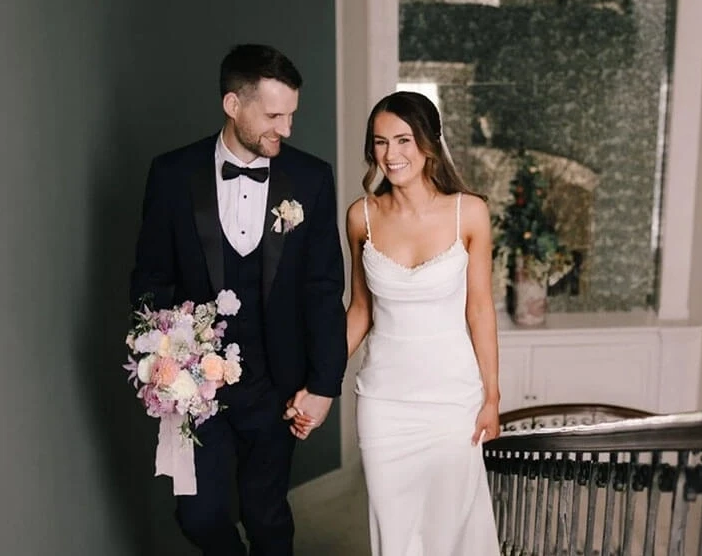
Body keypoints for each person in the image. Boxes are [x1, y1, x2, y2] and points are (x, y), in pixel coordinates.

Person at [129, 43, 347, 556]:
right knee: (199, 514)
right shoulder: (173, 174)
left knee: (267, 515)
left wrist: (323, 385)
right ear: (233, 105)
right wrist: (162, 358)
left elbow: (323, 288)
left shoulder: (310, 178)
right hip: (195, 389)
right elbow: (151, 277)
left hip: (278, 385)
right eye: (273, 115)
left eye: (291, 115)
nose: (286, 129)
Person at [347, 90, 501, 554]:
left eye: (403, 140)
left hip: (453, 401)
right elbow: (360, 309)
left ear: (429, 143)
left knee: (446, 532)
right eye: (380, 142)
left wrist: (492, 396)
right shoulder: (362, 218)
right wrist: (317, 381)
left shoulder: (469, 212)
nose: (391, 155)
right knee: (394, 533)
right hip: (384, 402)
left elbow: (480, 309)